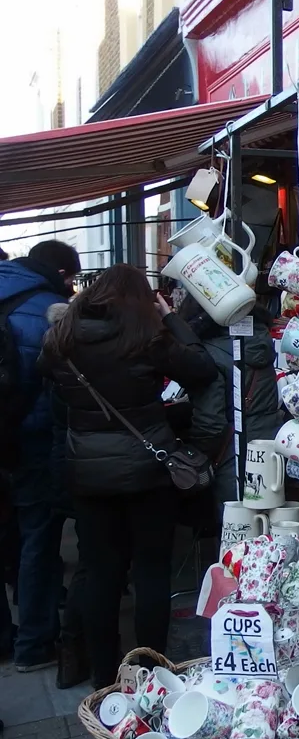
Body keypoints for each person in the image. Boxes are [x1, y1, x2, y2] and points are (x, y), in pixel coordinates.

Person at [39, 265, 216, 687]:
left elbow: (55, 393)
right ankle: (151, 673)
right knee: (151, 571)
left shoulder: (61, 338)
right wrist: (171, 316)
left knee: (101, 572)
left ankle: (105, 675)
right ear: (141, 298)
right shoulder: (146, 336)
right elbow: (202, 368)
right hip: (147, 469)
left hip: (88, 473)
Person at [0, 240, 79, 671]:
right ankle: (33, 643)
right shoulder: (47, 309)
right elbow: (56, 387)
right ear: (63, 274)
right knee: (38, 538)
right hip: (27, 442)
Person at [176, 298, 282, 507]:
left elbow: (210, 423)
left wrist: (196, 453)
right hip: (269, 448)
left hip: (232, 458)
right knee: (266, 523)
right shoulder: (259, 339)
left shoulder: (208, 355)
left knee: (237, 528)